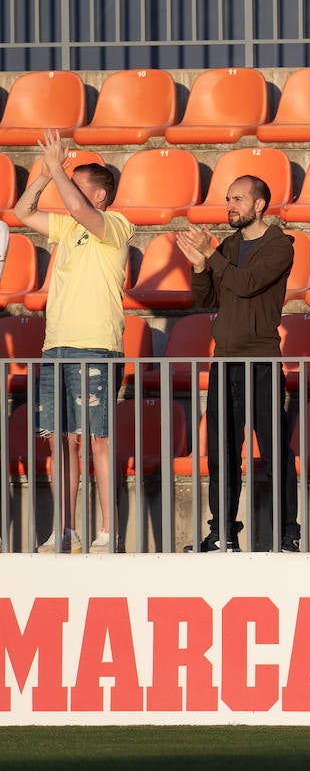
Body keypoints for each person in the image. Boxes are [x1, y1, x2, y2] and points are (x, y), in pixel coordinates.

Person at [16, 130, 133, 554]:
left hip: (97, 344)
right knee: (60, 440)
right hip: (55, 346)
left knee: (97, 440)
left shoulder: (117, 224)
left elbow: (79, 210)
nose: (70, 196)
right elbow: (23, 210)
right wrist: (48, 174)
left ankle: (107, 532)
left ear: (101, 196)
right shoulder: (66, 226)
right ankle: (65, 531)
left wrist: (59, 170)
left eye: (79, 188)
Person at [177, 175, 299, 553]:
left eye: (238, 199)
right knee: (222, 453)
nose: (230, 205)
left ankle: (286, 534)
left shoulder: (279, 245)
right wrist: (199, 265)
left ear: (260, 205)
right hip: (225, 362)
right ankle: (222, 533)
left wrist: (211, 254)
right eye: (228, 198)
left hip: (261, 361)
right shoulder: (229, 245)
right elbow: (209, 296)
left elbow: (246, 283)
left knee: (273, 451)